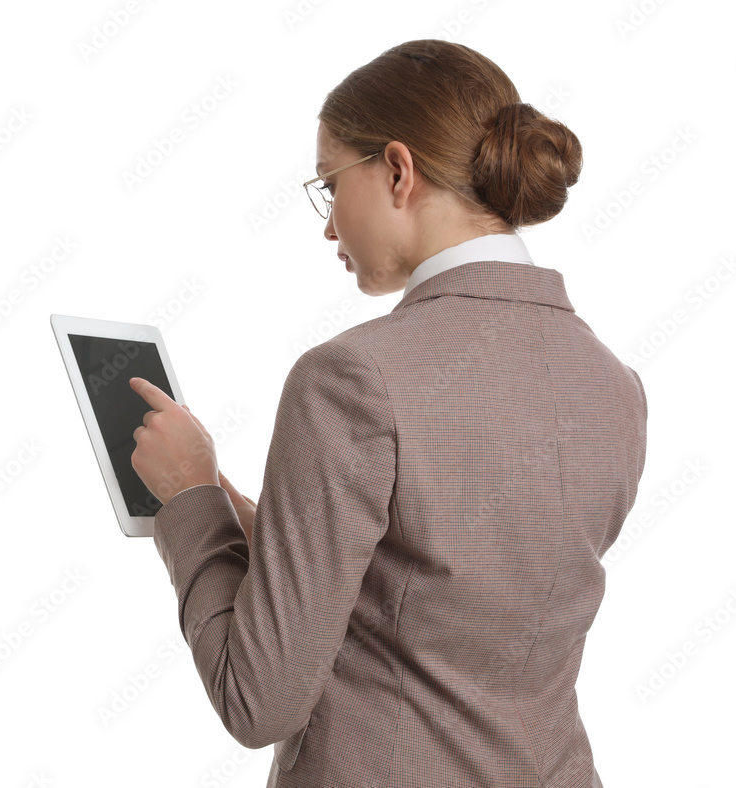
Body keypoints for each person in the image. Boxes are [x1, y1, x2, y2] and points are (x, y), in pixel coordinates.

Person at [129, 38, 647, 788]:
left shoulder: (350, 378)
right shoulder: (614, 384)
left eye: (330, 185)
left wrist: (188, 504)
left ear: (398, 170)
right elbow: (440, 587)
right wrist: (238, 508)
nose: (328, 226)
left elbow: (258, 700)